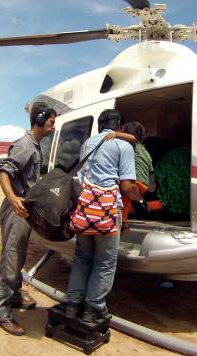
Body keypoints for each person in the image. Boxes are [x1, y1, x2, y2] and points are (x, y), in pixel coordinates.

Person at [65, 109, 141, 323]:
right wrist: (139, 198)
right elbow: (127, 186)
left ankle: (72, 305)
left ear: (100, 125)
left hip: (85, 207)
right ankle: (93, 308)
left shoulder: (88, 143)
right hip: (107, 210)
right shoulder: (123, 145)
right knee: (105, 261)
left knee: (82, 257)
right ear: (118, 126)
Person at [0, 103, 56, 336]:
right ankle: (0, 311)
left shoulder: (35, 147)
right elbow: (4, 172)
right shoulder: (25, 145)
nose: (53, 126)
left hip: (24, 211)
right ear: (39, 119)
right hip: (16, 209)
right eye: (51, 121)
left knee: (18, 256)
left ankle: (15, 296)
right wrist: (13, 198)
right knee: (11, 258)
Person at [120, 121, 154, 228]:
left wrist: (115, 134)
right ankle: (140, 202)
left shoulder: (130, 145)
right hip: (144, 184)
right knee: (127, 200)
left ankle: (122, 222)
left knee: (122, 200)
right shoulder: (146, 152)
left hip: (133, 182)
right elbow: (151, 172)